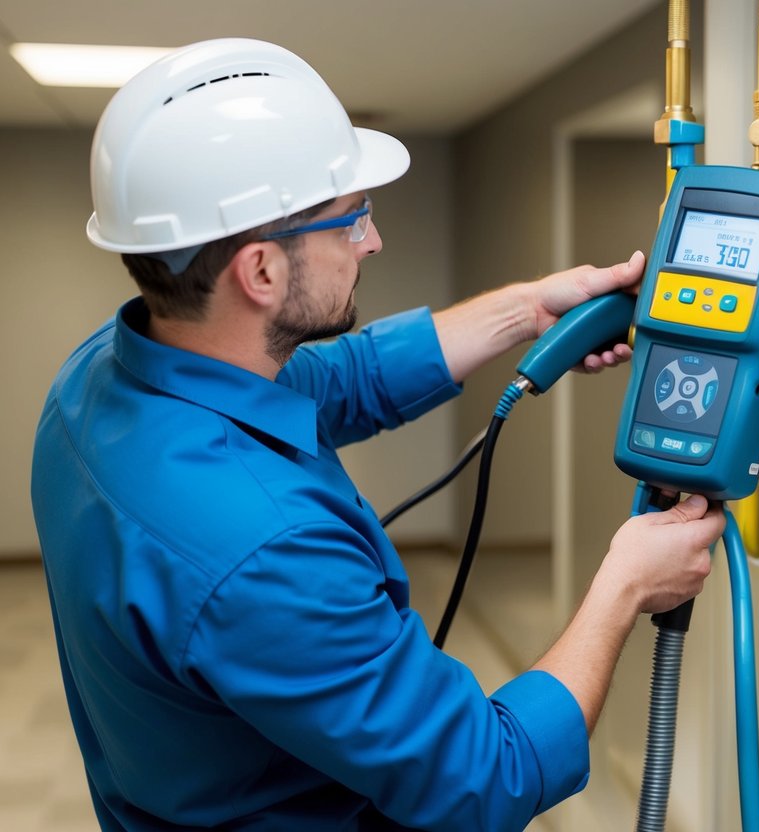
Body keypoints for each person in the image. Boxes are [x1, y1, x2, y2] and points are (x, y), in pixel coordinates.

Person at [30, 38, 722, 832]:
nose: (372, 240)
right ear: (259, 272)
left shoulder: (93, 381)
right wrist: (625, 584)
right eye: (351, 220)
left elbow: (338, 379)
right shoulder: (264, 552)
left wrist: (528, 309)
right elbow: (483, 777)